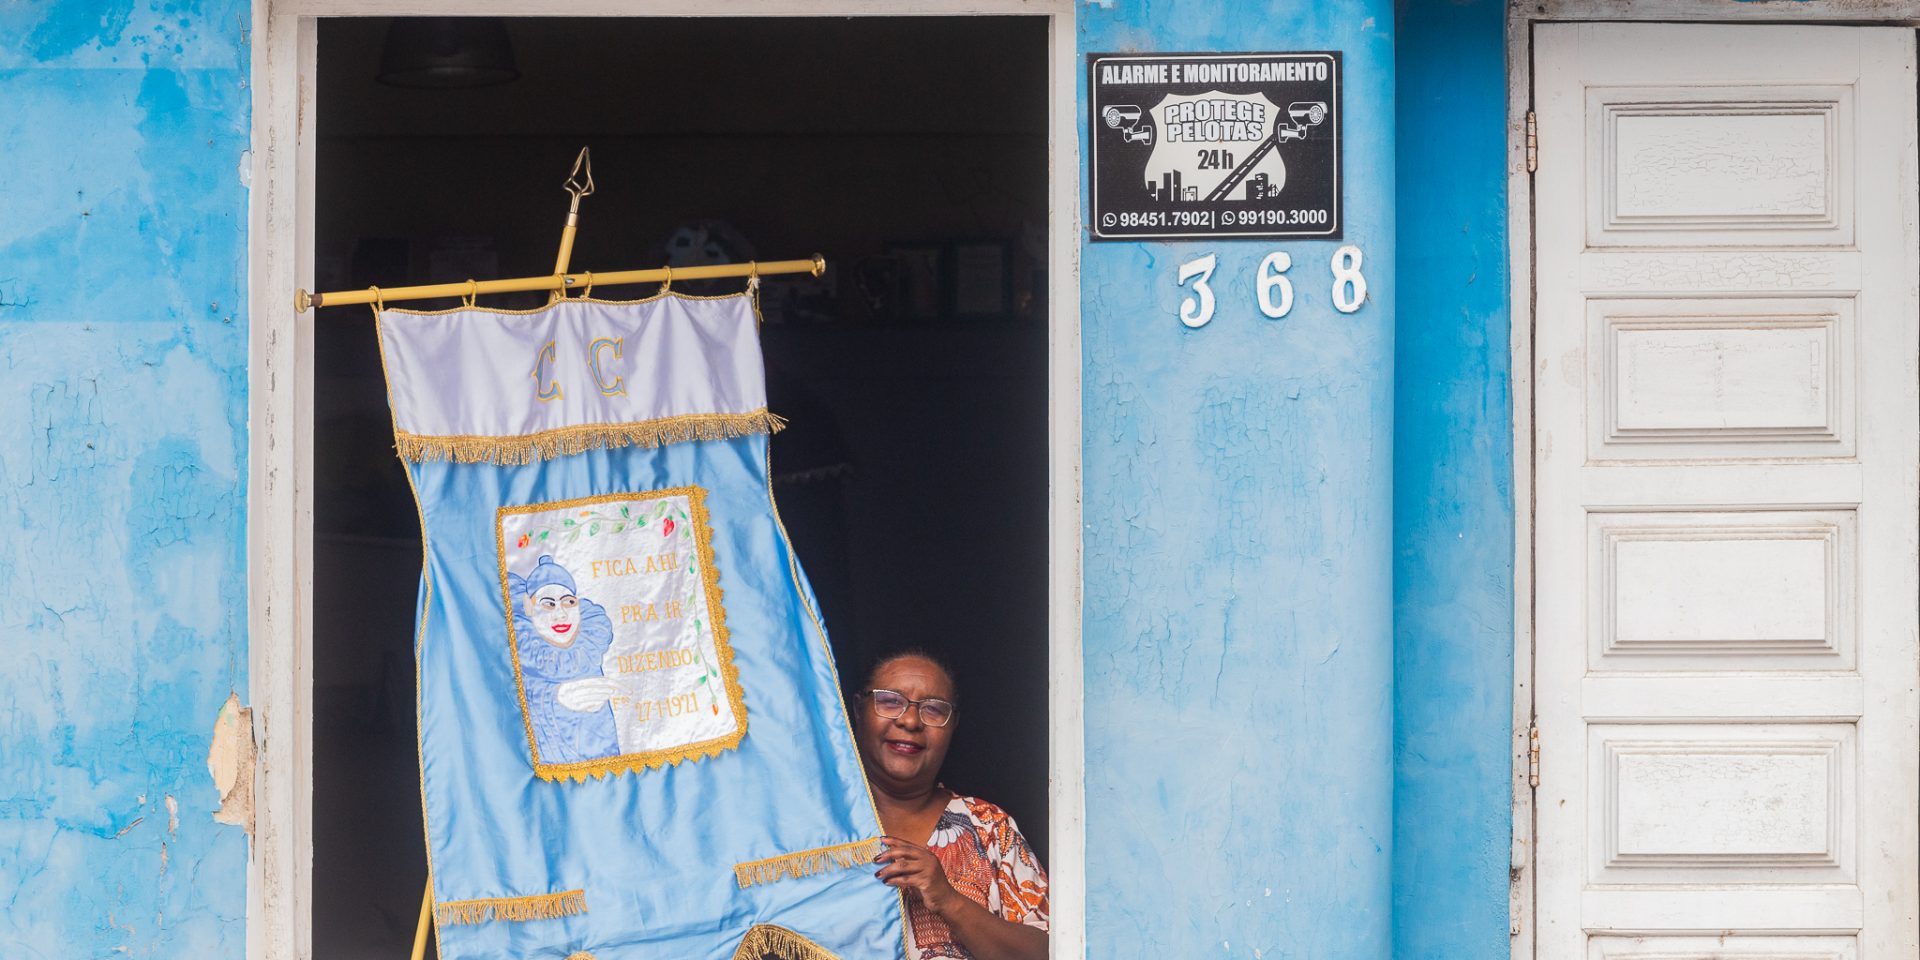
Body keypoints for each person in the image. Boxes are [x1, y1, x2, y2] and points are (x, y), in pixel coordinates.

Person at [855, 652, 1048, 960]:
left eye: (933, 709)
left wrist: (949, 900)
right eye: (890, 701)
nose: (909, 721)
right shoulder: (818, 826)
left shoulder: (989, 827)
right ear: (858, 710)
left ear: (953, 724)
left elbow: (1052, 952)